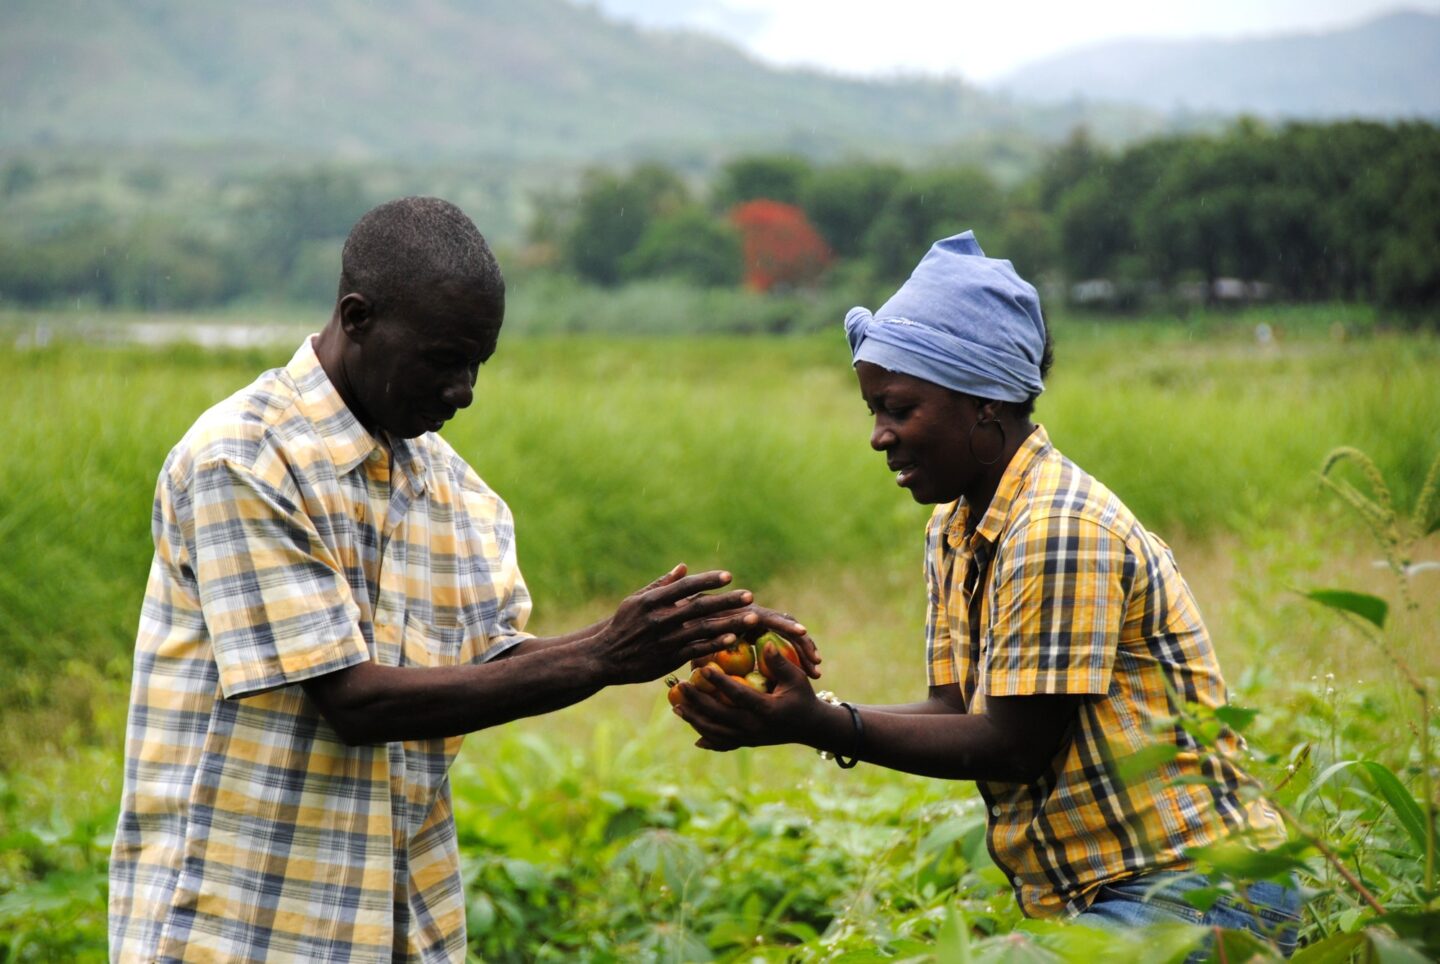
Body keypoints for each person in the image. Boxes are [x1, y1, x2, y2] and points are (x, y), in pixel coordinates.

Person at [107, 196, 813, 963]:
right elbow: (353, 700)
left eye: (479, 362)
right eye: (443, 359)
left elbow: (492, 669)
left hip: (400, 922)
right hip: (241, 926)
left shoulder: (456, 494)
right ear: (358, 317)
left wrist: (680, 639)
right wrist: (605, 655)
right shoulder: (246, 460)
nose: (465, 389)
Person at [673, 232, 1301, 955]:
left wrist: (818, 724)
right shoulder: (957, 528)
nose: (879, 436)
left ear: (984, 406)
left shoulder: (1057, 528)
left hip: (1205, 891)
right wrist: (803, 707)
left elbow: (1012, 746)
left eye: (898, 408)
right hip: (1109, 895)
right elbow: (955, 710)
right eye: (873, 410)